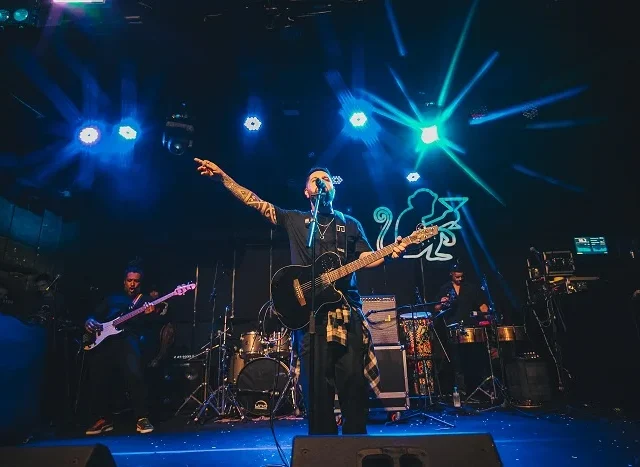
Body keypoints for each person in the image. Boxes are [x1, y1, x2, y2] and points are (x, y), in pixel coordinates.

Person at [194, 158, 407, 434]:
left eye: (327, 179)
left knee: (353, 386)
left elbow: (367, 258)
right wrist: (224, 178)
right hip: (309, 319)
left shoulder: (349, 224)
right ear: (307, 191)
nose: (322, 182)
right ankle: (322, 447)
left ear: (334, 189)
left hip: (345, 313)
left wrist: (389, 252)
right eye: (316, 180)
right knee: (316, 392)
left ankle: (355, 444)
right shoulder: (295, 219)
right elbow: (256, 203)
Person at [83, 264, 158, 435]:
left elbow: (151, 327)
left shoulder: (145, 300)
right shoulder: (113, 298)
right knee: (98, 377)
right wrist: (89, 320)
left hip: (129, 339)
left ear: (141, 283)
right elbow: (95, 314)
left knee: (135, 374)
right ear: (124, 281)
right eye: (129, 280)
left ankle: (142, 417)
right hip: (106, 341)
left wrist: (150, 315)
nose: (132, 284)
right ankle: (103, 419)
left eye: (136, 281)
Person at [434, 263, 489, 394]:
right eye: (457, 277)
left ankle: (476, 389)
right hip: (452, 328)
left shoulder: (470, 288)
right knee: (457, 361)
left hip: (469, 326)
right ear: (451, 274)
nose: (459, 279)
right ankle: (461, 391)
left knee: (472, 357)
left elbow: (482, 305)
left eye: (461, 277)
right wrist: (441, 303)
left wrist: (487, 314)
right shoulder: (445, 288)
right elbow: (436, 308)